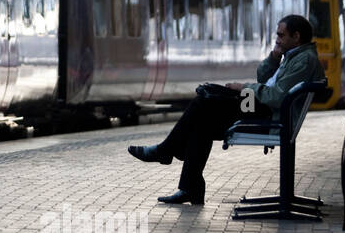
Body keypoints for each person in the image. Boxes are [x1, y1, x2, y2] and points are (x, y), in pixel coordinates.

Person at [128, 15, 324, 205]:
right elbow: (263, 77)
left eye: (281, 35)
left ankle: (165, 151)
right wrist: (274, 56)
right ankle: (189, 187)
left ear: (296, 36)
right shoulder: (293, 55)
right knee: (203, 117)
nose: (277, 39)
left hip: (269, 115)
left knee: (204, 102)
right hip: (263, 108)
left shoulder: (303, 60)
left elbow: (277, 96)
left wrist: (244, 88)